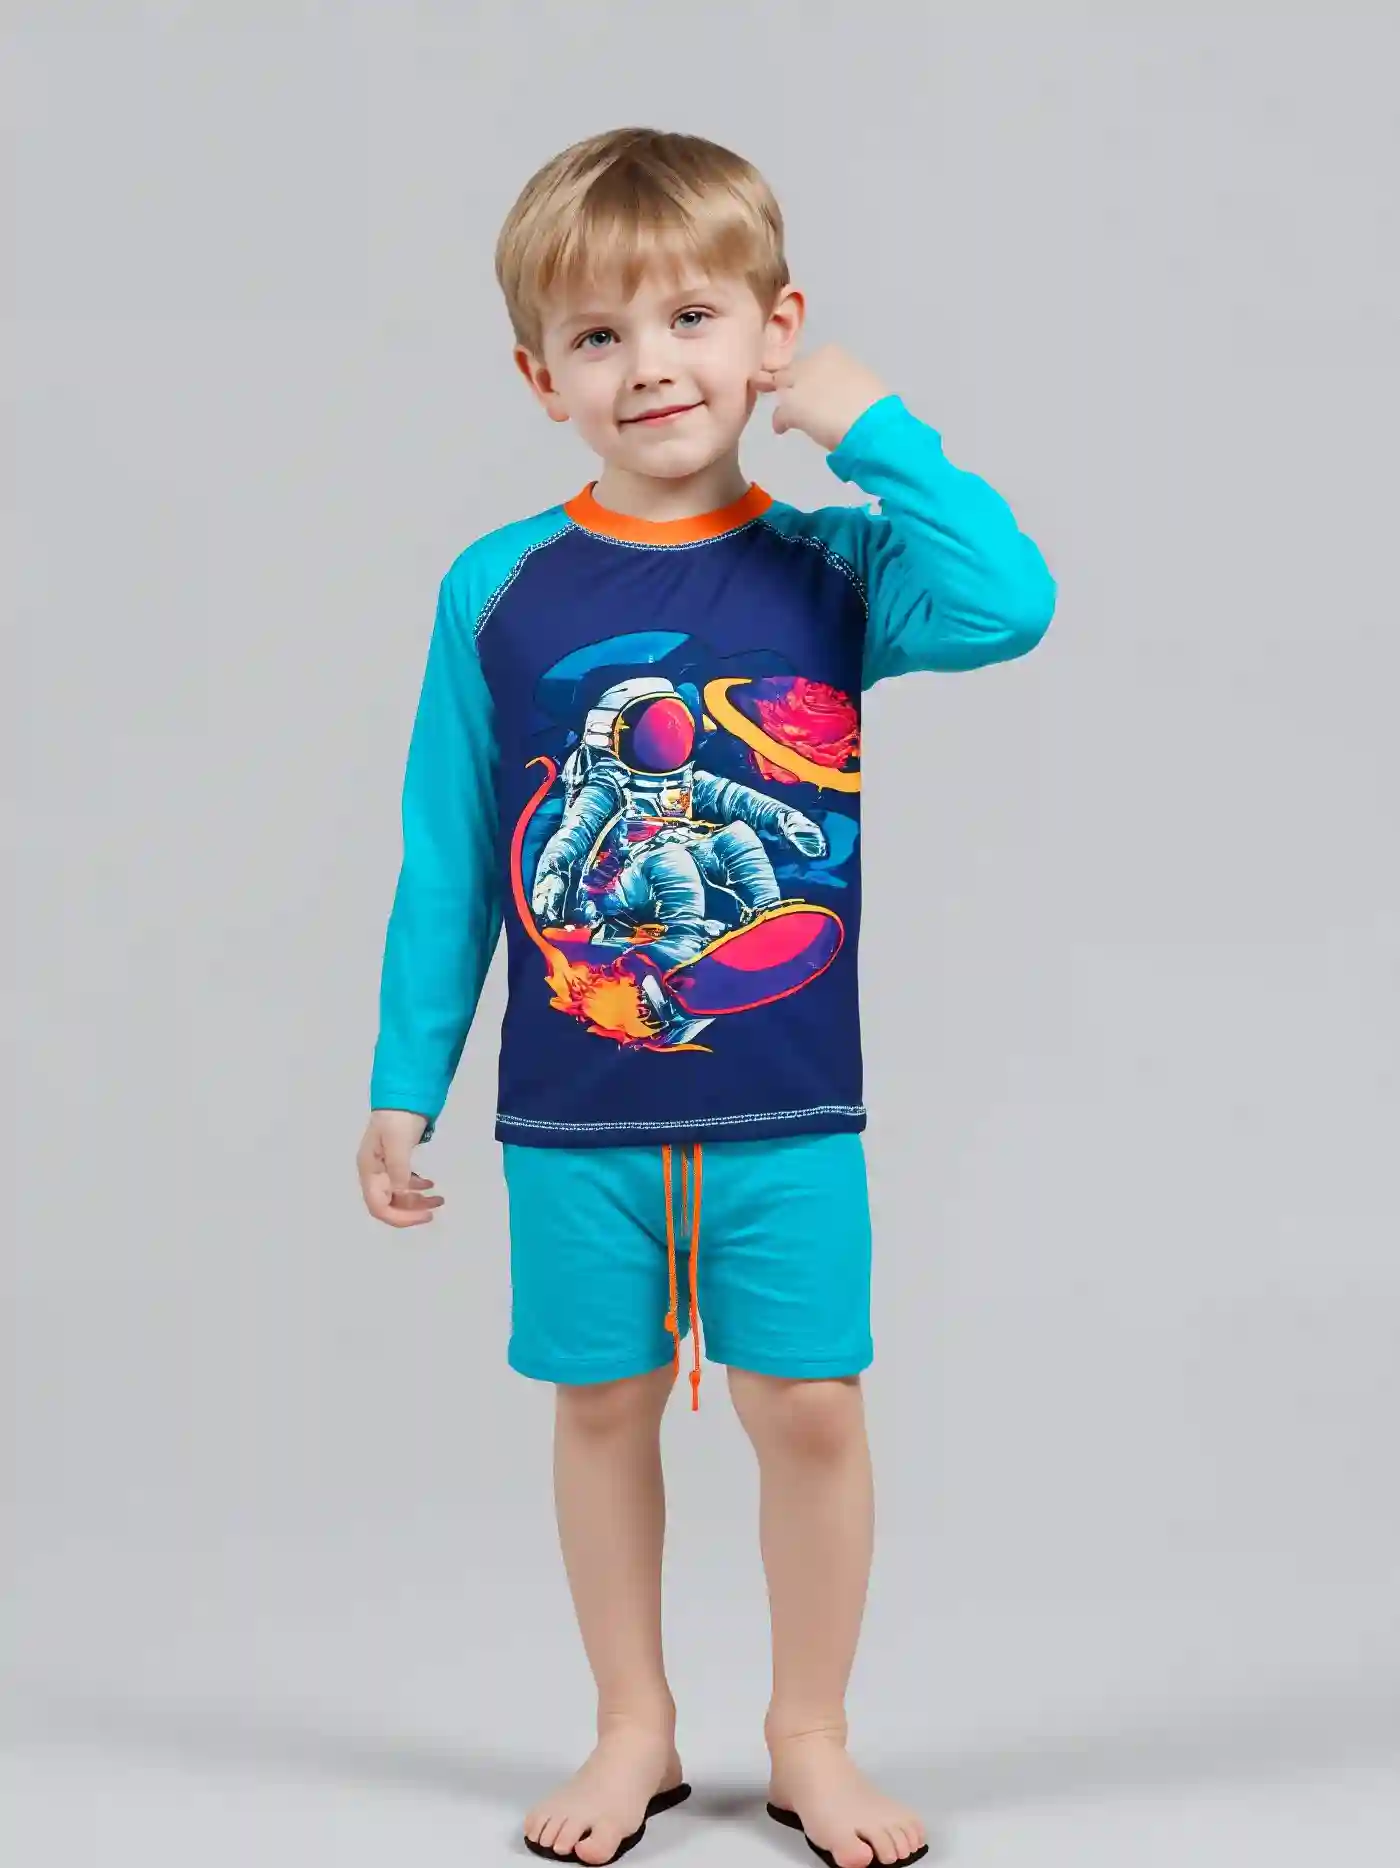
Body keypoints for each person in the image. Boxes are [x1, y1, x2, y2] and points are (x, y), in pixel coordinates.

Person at [356, 126, 1055, 1868]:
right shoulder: (498, 589)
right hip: (574, 1113)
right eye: (598, 336)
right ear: (542, 380)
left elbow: (1010, 601)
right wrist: (402, 1080)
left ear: (771, 330)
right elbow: (452, 854)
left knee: (808, 1408)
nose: (651, 365)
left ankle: (810, 1737)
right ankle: (633, 1728)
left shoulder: (840, 568)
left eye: (691, 318)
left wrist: (868, 424)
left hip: (788, 1108)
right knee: (600, 1407)